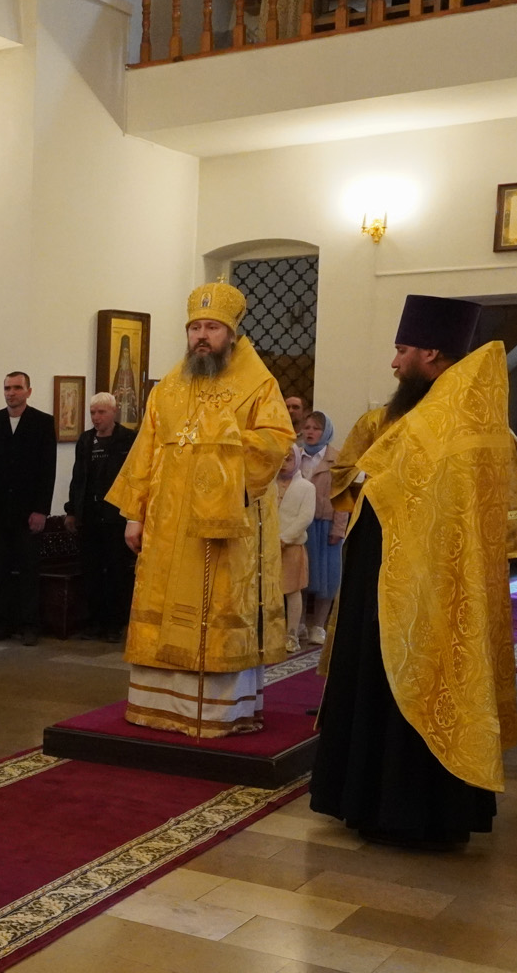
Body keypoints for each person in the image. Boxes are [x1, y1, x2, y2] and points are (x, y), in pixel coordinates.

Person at [311, 295, 517, 851]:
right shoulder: (408, 418)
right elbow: (361, 476)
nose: (394, 362)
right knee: (376, 682)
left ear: (431, 353)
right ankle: (367, 801)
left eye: (402, 350)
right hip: (381, 578)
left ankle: (415, 812)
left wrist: (383, 483)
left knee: (424, 682)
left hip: (435, 586)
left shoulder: (463, 423)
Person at [107, 282, 295, 737]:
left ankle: (218, 711)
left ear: (231, 333)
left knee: (216, 607)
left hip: (223, 527)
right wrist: (134, 514)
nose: (202, 336)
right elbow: (146, 449)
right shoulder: (168, 388)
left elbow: (277, 442)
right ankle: (157, 704)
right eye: (195, 328)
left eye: (212, 327)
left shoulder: (259, 384)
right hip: (168, 528)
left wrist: (224, 446)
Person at [0, 371, 56, 645]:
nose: (11, 393)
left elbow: (47, 470)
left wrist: (41, 510)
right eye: (7, 388)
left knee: (29, 570)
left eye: (17, 388)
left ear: (28, 391)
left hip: (28, 511)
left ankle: (30, 625)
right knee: (0, 570)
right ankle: (1, 623)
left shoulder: (42, 423)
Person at [64, 391, 137, 641]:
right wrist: (71, 510)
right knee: (92, 571)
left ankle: (115, 624)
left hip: (116, 516)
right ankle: (94, 621)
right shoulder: (85, 440)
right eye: (93, 413)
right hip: (90, 515)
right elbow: (77, 477)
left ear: (114, 412)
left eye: (101, 412)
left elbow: (135, 478)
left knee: (116, 571)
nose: (96, 417)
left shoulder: (128, 439)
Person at [298, 409, 342, 644]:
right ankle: (299, 623)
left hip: (325, 524)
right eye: (307, 428)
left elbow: (342, 498)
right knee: (301, 575)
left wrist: (338, 528)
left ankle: (318, 626)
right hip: (300, 524)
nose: (310, 432)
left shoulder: (337, 459)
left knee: (326, 577)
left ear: (326, 432)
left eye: (316, 428)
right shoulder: (295, 455)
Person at [276, 445, 315, 652]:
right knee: (269, 591)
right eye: (281, 459)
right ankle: (271, 633)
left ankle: (291, 635)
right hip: (270, 546)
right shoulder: (269, 484)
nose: (284, 463)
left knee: (292, 590)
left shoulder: (306, 487)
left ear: (298, 460)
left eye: (289, 459)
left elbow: (305, 517)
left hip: (291, 546)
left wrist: (285, 538)